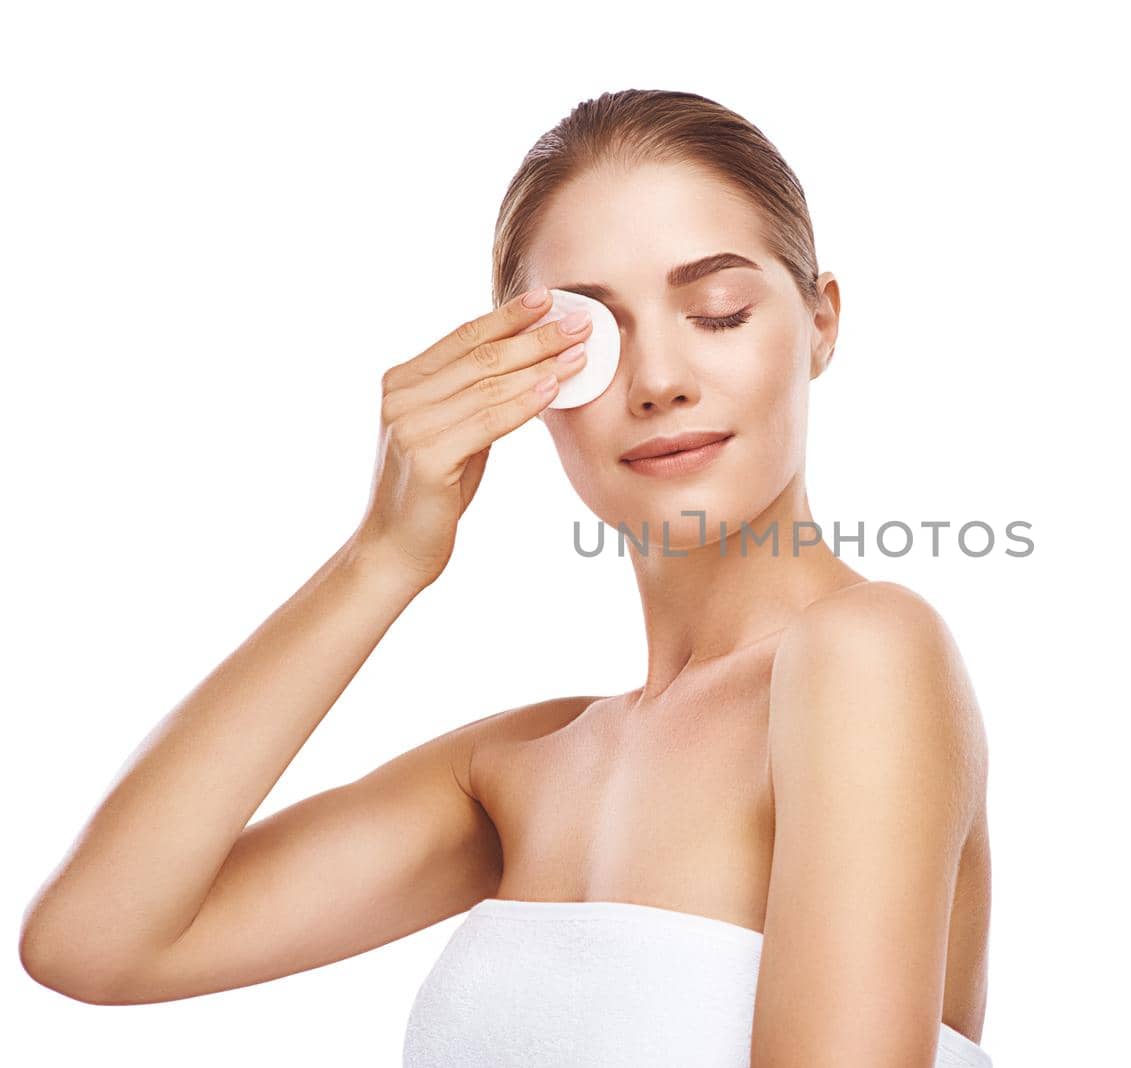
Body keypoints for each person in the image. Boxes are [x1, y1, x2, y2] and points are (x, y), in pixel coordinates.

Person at [19, 88, 994, 1067]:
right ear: (519, 377)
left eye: (717, 310)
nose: (659, 379)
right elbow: (94, 945)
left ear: (820, 323)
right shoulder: (523, 767)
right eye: (592, 341)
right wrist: (383, 558)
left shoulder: (864, 652)